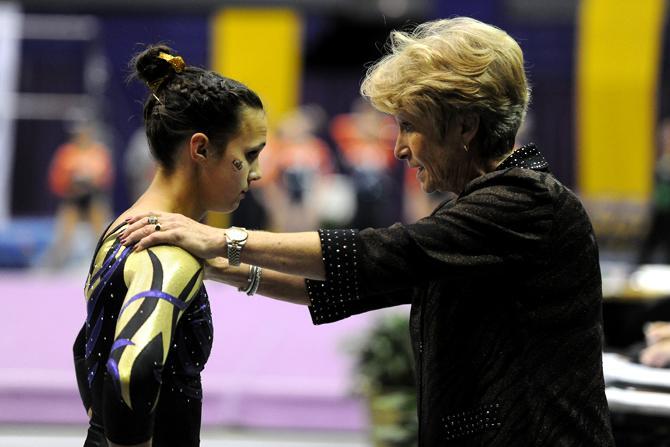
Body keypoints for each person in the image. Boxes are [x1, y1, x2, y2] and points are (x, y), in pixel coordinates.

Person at [120, 18, 614, 445]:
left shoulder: (525, 204)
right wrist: (221, 268)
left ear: (464, 127)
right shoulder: (490, 206)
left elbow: (377, 252)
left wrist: (219, 239)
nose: (399, 148)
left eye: (409, 126)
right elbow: (349, 284)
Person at [72, 45, 266, 447]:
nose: (258, 173)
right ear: (200, 149)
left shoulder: (122, 227)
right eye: (249, 156)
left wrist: (101, 427)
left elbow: (86, 344)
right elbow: (130, 371)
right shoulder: (167, 252)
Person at [45, 122, 113, 268]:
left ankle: (103, 262)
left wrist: (91, 180)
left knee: (100, 231)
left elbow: (105, 178)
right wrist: (71, 182)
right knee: (64, 234)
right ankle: (57, 263)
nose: (81, 137)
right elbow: (56, 179)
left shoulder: (98, 152)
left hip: (93, 197)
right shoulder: (66, 152)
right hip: (73, 197)